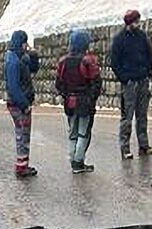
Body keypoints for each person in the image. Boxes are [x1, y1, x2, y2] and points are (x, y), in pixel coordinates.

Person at [55, 29, 103, 173]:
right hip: (84, 102)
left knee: (72, 133)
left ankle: (73, 160)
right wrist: (91, 97)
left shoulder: (63, 62)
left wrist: (65, 94)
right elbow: (96, 82)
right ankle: (78, 162)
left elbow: (59, 83)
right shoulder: (88, 61)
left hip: (69, 101)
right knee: (83, 133)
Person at [110, 10, 152, 159]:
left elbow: (149, 55)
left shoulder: (142, 36)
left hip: (142, 80)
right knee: (127, 117)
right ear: (129, 23)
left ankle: (144, 145)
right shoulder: (119, 39)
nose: (138, 24)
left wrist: (148, 72)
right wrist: (124, 79)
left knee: (142, 115)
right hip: (129, 83)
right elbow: (114, 63)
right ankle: (125, 148)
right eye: (136, 22)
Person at [4, 30, 40, 178]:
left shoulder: (20, 57)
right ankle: (21, 166)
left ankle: (23, 163)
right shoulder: (13, 61)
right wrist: (24, 104)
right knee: (22, 133)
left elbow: (33, 68)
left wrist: (34, 56)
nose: (27, 45)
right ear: (21, 43)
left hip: (21, 101)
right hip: (18, 103)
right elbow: (13, 87)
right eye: (25, 42)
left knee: (24, 133)